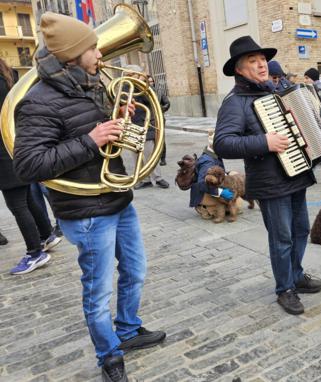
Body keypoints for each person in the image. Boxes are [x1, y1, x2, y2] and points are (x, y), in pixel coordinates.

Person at [12, 13, 165, 382]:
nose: (100, 52)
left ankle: (127, 330)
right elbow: (29, 165)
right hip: (85, 211)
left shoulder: (92, 84)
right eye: (93, 47)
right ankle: (108, 354)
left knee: (135, 271)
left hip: (116, 197)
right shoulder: (38, 102)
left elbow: (102, 133)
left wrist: (122, 117)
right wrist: (91, 140)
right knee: (97, 292)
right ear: (71, 55)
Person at [214, 35, 321, 315]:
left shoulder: (274, 92)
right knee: (282, 237)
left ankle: (296, 276)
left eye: (263, 59)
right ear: (239, 69)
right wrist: (264, 142)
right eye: (253, 61)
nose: (262, 65)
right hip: (270, 182)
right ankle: (284, 288)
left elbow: (298, 124)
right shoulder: (234, 102)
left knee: (301, 230)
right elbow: (223, 142)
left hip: (296, 172)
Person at [0, 57, 57, 275]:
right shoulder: (10, 75)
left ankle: (35, 253)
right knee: (27, 199)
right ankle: (46, 234)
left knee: (17, 205)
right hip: (15, 146)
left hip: (4, 154)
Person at [127, 65, 170, 189]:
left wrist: (141, 83)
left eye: (135, 74)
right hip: (131, 125)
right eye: (131, 75)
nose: (133, 77)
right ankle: (143, 179)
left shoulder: (145, 87)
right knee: (136, 156)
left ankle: (158, 178)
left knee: (150, 154)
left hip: (146, 125)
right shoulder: (124, 87)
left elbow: (152, 100)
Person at [189, 130, 235, 217]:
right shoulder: (207, 162)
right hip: (202, 193)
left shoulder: (213, 154)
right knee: (225, 208)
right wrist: (220, 192)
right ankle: (203, 206)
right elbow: (201, 184)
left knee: (233, 174)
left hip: (212, 186)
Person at [147, 75, 169, 166]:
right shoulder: (143, 93)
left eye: (152, 81)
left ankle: (163, 158)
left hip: (159, 119)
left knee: (161, 139)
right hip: (148, 120)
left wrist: (160, 110)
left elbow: (167, 103)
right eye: (149, 82)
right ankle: (153, 158)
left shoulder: (159, 92)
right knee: (151, 140)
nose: (151, 83)